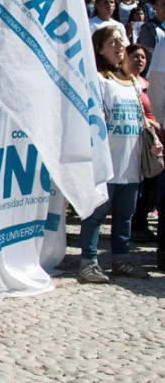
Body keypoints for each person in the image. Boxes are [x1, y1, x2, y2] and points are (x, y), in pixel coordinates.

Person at [77, 26, 152, 283]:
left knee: (125, 215)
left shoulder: (133, 83)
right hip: (106, 161)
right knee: (97, 214)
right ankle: (88, 261)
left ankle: (121, 259)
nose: (120, 46)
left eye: (121, 41)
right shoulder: (99, 80)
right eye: (112, 42)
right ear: (99, 48)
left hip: (131, 162)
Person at [125, 44, 159, 243]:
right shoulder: (123, 82)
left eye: (143, 58)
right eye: (135, 56)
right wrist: (155, 125)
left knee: (150, 184)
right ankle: (134, 225)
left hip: (153, 141)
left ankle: (141, 224)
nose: (139, 61)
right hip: (138, 138)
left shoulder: (147, 83)